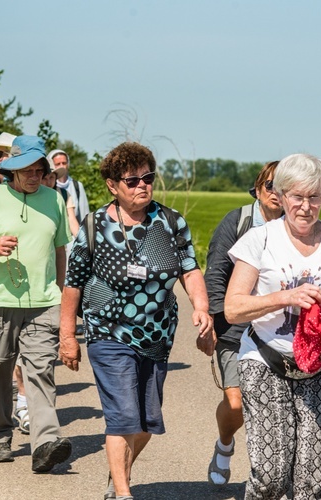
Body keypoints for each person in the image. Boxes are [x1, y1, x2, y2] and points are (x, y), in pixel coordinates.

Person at [59, 141, 215, 500]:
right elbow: (73, 284)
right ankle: (124, 494)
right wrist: (68, 335)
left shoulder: (171, 222)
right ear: (113, 186)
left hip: (157, 335)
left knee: (144, 423)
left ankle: (117, 478)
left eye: (148, 177)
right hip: (107, 331)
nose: (143, 185)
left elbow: (189, 271)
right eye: (132, 180)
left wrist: (201, 308)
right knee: (123, 416)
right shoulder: (94, 225)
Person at [224, 153, 321, 500]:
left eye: (314, 196)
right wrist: (285, 298)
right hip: (266, 361)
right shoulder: (261, 240)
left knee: (314, 482)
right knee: (270, 476)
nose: (305, 206)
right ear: (282, 196)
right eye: (297, 197)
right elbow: (233, 308)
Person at [0, 135, 73, 471]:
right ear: (12, 170)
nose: (35, 175)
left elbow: (60, 249)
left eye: (40, 169)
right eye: (28, 169)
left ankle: (44, 444)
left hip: (43, 301)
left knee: (41, 371)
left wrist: (63, 292)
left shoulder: (54, 200)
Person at [203, 160, 283, 486]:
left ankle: (266, 478)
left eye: (285, 186)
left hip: (278, 334)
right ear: (258, 187)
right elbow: (216, 274)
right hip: (234, 330)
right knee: (236, 402)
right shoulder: (238, 221)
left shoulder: (302, 229)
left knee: (273, 410)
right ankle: (224, 445)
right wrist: (214, 321)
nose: (277, 193)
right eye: (270, 185)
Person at [47, 149, 89, 225]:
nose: (62, 166)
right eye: (58, 164)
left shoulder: (77, 186)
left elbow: (84, 213)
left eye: (64, 163)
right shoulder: (47, 187)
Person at [41, 168, 80, 237]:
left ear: (56, 178)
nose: (48, 182)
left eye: (51, 177)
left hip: (60, 239)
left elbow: (71, 219)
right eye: (44, 178)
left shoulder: (64, 194)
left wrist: (80, 239)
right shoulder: (32, 195)